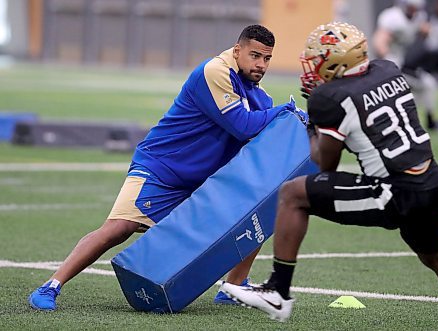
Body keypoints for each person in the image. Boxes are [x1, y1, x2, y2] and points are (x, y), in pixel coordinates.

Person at [221, 22, 438, 331]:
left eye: (319, 59)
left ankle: (278, 290)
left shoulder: (330, 98)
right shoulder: (388, 69)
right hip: (432, 181)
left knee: (293, 194)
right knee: (435, 255)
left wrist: (315, 122)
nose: (314, 66)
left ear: (338, 62)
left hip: (394, 190)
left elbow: (325, 164)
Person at [29, 24, 301, 311]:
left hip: (199, 181)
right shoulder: (215, 71)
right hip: (161, 168)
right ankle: (51, 286)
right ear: (237, 50)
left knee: (258, 210)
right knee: (118, 228)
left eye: (267, 58)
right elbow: (243, 127)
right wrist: (285, 111)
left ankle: (234, 286)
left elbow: (262, 139)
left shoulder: (260, 96)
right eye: (254, 55)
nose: (261, 64)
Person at [372, 0, 438, 132]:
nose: (414, 11)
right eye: (411, 7)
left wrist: (434, 33)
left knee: (427, 84)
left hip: (403, 64)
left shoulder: (419, 17)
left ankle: (427, 121)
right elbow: (379, 41)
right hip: (389, 65)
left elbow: (426, 30)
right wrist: (388, 60)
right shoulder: (392, 17)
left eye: (416, 8)